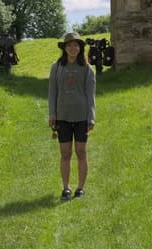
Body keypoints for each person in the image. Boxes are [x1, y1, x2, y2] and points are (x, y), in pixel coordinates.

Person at [48, 32, 96, 201]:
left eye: (76, 45)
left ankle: (80, 188)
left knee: (81, 152)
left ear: (80, 48)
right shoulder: (56, 67)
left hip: (82, 116)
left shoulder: (87, 68)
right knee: (65, 153)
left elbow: (90, 95)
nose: (73, 48)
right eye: (69, 45)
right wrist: (52, 114)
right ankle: (66, 188)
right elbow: (52, 92)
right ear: (65, 48)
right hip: (62, 116)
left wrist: (91, 117)